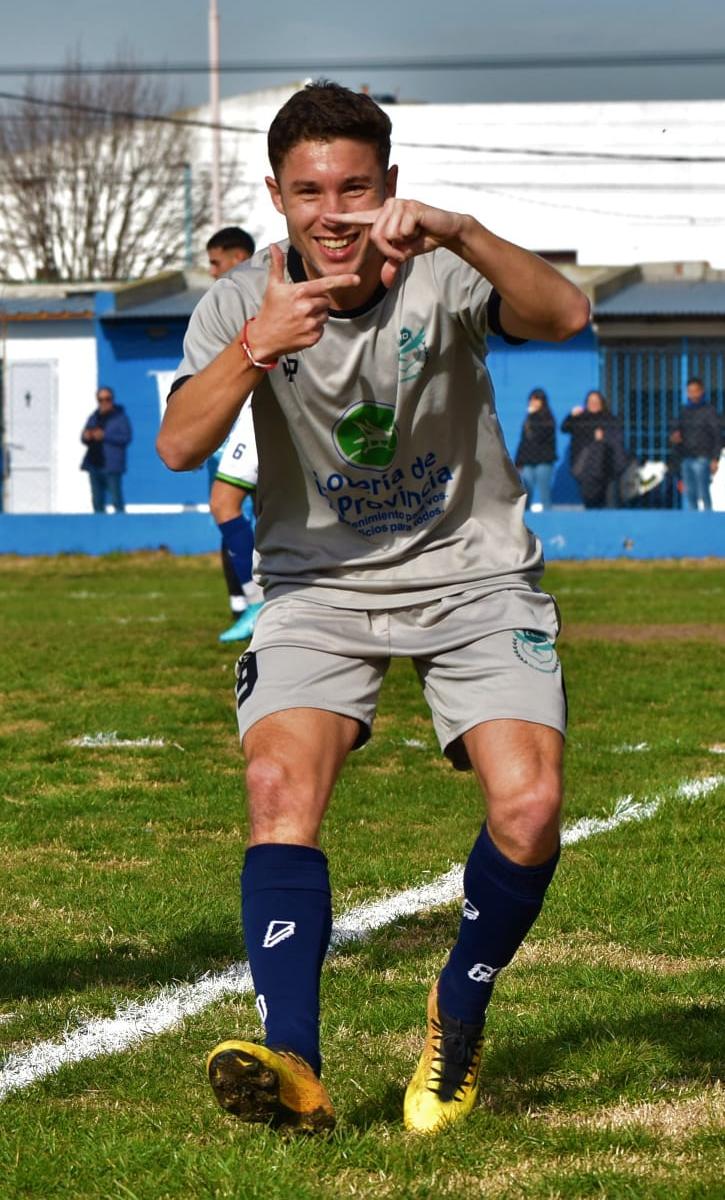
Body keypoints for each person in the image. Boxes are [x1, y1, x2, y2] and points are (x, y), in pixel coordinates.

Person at [158, 81, 590, 1136]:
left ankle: (458, 1009)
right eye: (309, 191)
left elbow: (565, 314)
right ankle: (294, 1062)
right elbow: (177, 444)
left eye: (355, 187)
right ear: (277, 195)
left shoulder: (442, 272)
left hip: (474, 578)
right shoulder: (241, 300)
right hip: (318, 587)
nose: (334, 212)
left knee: (529, 807)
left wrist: (461, 229)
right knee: (275, 786)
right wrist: (258, 343)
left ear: (388, 185)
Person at [205, 227, 265, 641]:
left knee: (224, 503)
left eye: (215, 262)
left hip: (261, 413)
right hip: (251, 415)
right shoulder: (241, 295)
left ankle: (257, 602)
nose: (211, 271)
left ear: (238, 257)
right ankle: (257, 602)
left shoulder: (251, 295)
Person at [561, 390, 626, 509]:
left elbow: (617, 437)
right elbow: (564, 428)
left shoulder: (609, 418)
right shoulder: (580, 418)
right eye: (591, 401)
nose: (593, 404)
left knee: (607, 500)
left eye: (596, 401)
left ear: (602, 403)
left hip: (606, 466)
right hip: (584, 465)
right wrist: (571, 415)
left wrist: (604, 436)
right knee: (589, 499)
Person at [670, 377, 721, 511]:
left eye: (695, 391)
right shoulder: (684, 411)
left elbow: (717, 435)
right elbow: (676, 431)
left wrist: (715, 458)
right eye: (690, 391)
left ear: (701, 391)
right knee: (690, 493)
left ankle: (707, 517)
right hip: (686, 457)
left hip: (703, 457)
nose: (692, 394)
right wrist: (675, 437)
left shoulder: (709, 411)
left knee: (703, 491)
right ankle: (694, 519)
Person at [80, 386, 132, 513]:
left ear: (112, 399)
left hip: (111, 465)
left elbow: (126, 438)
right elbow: (84, 436)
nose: (104, 402)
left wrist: (105, 436)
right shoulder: (94, 417)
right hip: (94, 464)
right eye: (100, 400)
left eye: (107, 399)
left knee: (116, 499)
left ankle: (120, 522)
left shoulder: (120, 418)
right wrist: (87, 436)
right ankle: (99, 524)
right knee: (97, 501)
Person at [514, 387, 556, 510]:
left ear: (543, 401)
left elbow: (540, 435)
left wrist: (533, 416)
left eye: (537, 399)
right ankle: (524, 518)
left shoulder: (548, 419)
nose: (533, 402)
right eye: (531, 399)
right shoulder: (528, 419)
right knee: (526, 492)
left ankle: (548, 516)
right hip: (528, 461)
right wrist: (518, 462)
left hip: (543, 461)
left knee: (544, 493)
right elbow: (524, 442)